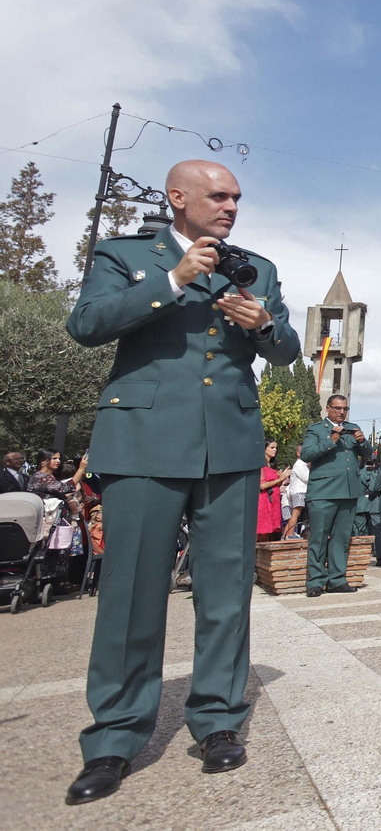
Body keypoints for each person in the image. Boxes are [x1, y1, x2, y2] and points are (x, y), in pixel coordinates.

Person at [63, 159, 299, 803]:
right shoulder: (124, 255)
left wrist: (265, 326)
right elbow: (86, 325)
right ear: (178, 197)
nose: (230, 207)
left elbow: (287, 351)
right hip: (143, 440)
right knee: (133, 592)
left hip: (229, 442)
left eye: (237, 198)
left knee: (225, 590)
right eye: (218, 196)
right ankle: (114, 737)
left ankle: (219, 720)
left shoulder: (258, 268)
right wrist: (172, 279)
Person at [299, 394, 371, 595]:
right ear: (328, 408)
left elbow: (368, 454)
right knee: (318, 538)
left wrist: (363, 442)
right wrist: (331, 441)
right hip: (323, 491)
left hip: (348, 491)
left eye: (345, 409)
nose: (341, 412)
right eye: (338, 408)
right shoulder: (317, 429)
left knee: (341, 538)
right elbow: (306, 454)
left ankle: (337, 579)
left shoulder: (352, 428)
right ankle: (315, 581)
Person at [258, 442, 286, 541]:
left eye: (276, 448)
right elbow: (262, 485)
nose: (275, 450)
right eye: (272, 447)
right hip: (264, 501)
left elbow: (274, 484)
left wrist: (281, 478)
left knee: (269, 534)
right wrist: (278, 480)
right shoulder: (260, 465)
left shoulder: (272, 466)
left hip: (274, 502)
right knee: (262, 532)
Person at [281, 445, 309, 539]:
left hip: (298, 491)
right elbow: (306, 477)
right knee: (296, 513)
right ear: (299, 453)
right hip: (299, 491)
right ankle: (290, 534)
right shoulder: (300, 464)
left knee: (296, 513)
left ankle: (286, 535)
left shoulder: (301, 464)